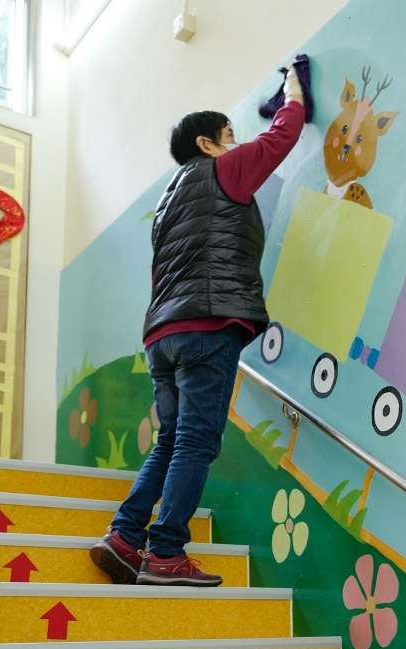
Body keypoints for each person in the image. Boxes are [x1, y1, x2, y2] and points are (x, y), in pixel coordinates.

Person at [89, 70, 305, 587]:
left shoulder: (166, 205)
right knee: (195, 440)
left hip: (161, 334)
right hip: (207, 325)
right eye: (229, 136)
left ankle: (124, 536)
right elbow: (283, 135)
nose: (236, 145)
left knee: (171, 438)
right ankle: (166, 553)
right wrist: (294, 90)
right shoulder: (222, 170)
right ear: (206, 144)